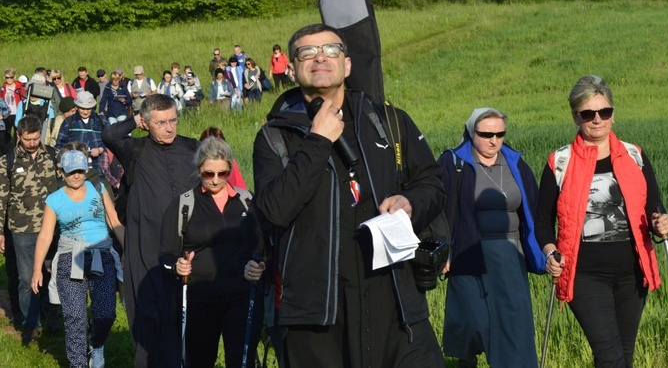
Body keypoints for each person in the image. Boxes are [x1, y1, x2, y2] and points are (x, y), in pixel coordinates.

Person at [253, 23, 445, 368]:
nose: (320, 58)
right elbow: (273, 211)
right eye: (306, 52)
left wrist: (410, 203)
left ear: (348, 64)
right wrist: (317, 141)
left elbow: (432, 182)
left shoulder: (388, 120)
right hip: (317, 312)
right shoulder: (275, 137)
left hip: (395, 298)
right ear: (293, 69)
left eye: (331, 50)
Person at [535, 74, 668, 368]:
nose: (597, 120)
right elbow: (542, 221)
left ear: (612, 113)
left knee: (623, 356)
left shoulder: (634, 155)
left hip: (633, 274)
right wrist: (550, 252)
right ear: (576, 117)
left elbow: (654, 206)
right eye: (588, 113)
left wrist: (662, 223)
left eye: (604, 112)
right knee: (610, 357)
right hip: (584, 275)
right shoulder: (560, 162)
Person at [437, 108, 545, 368]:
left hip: (510, 253)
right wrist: (443, 251)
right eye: (486, 134)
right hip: (467, 250)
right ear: (472, 133)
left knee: (513, 321)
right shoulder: (453, 163)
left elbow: (534, 209)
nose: (493, 140)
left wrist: (545, 251)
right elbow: (439, 209)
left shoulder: (515, 163)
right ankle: (467, 359)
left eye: (499, 134)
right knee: (474, 320)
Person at [103, 94, 199, 367]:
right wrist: (134, 120)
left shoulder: (191, 148)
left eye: (173, 120)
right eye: (160, 123)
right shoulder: (136, 149)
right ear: (145, 124)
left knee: (185, 314)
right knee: (147, 313)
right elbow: (109, 134)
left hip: (185, 246)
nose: (169, 128)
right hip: (146, 245)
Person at [159, 137, 265, 368]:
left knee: (242, 362)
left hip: (242, 297)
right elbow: (166, 254)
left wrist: (258, 265)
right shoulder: (184, 205)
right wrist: (177, 265)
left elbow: (262, 245)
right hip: (199, 300)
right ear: (199, 170)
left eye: (222, 173)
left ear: (230, 169)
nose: (215, 180)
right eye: (208, 174)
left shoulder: (247, 201)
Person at [31, 147, 124, 368]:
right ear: (62, 172)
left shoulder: (98, 188)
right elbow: (45, 236)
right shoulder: (54, 200)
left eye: (80, 171)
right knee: (75, 318)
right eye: (71, 171)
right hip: (69, 259)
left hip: (102, 254)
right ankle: (78, 364)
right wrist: (36, 269)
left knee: (105, 314)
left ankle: (96, 344)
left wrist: (129, 251)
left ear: (86, 170)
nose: (76, 176)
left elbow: (114, 220)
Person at [0, 115, 60, 343]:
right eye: (28, 139)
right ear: (19, 136)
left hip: (52, 228)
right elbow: (1, 198)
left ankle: (51, 315)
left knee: (51, 275)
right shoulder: (8, 161)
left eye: (36, 138)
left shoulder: (53, 156)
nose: (33, 143)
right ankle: (30, 323)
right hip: (22, 229)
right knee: (26, 278)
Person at [55, 91, 109, 181]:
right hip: (75, 168)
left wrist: (100, 149)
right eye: (82, 109)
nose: (85, 112)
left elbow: (110, 141)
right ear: (77, 107)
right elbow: (60, 144)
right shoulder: (69, 121)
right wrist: (72, 153)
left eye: (88, 109)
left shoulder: (101, 121)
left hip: (98, 166)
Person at [1, 68, 25, 146]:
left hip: (17, 112)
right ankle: (7, 151)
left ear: (14, 77)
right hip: (6, 114)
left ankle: (17, 149)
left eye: (11, 77)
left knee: (17, 133)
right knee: (6, 133)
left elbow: (23, 98)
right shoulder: (3, 88)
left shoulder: (19, 87)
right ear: (4, 77)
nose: (9, 79)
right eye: (7, 77)